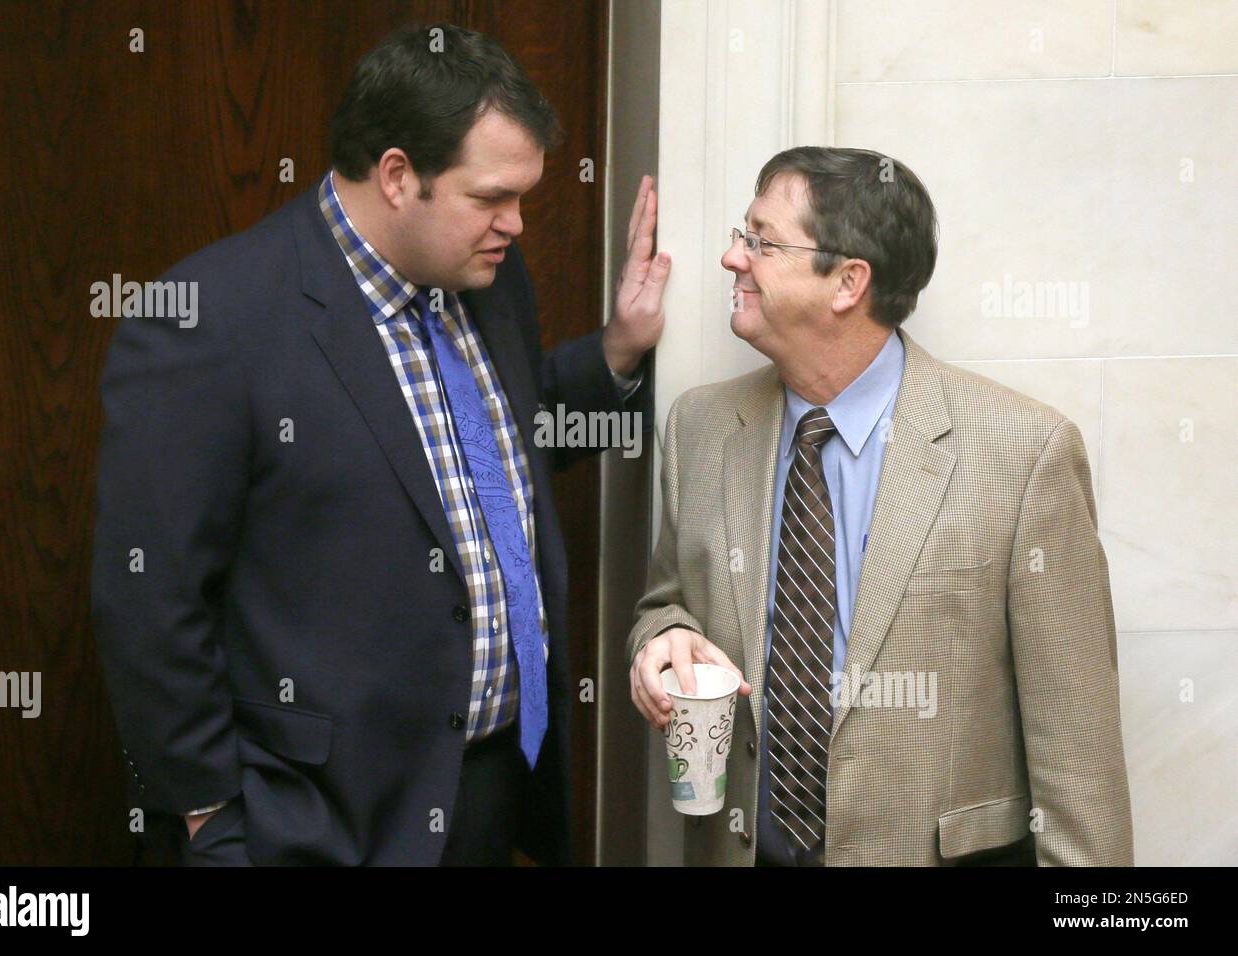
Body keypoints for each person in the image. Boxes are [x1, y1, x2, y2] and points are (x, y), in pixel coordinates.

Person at [92, 22, 669, 866]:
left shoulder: (490, 277)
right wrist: (209, 816)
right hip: (317, 823)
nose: (516, 224)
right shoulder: (210, 319)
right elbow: (148, 600)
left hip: (490, 792)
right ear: (398, 175)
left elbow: (492, 448)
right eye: (491, 197)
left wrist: (616, 353)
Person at [628, 146, 1132, 866]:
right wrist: (658, 641)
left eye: (761, 241)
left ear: (847, 282)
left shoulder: (1024, 453)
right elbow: (667, 603)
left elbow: (1078, 759)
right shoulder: (700, 429)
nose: (732, 259)